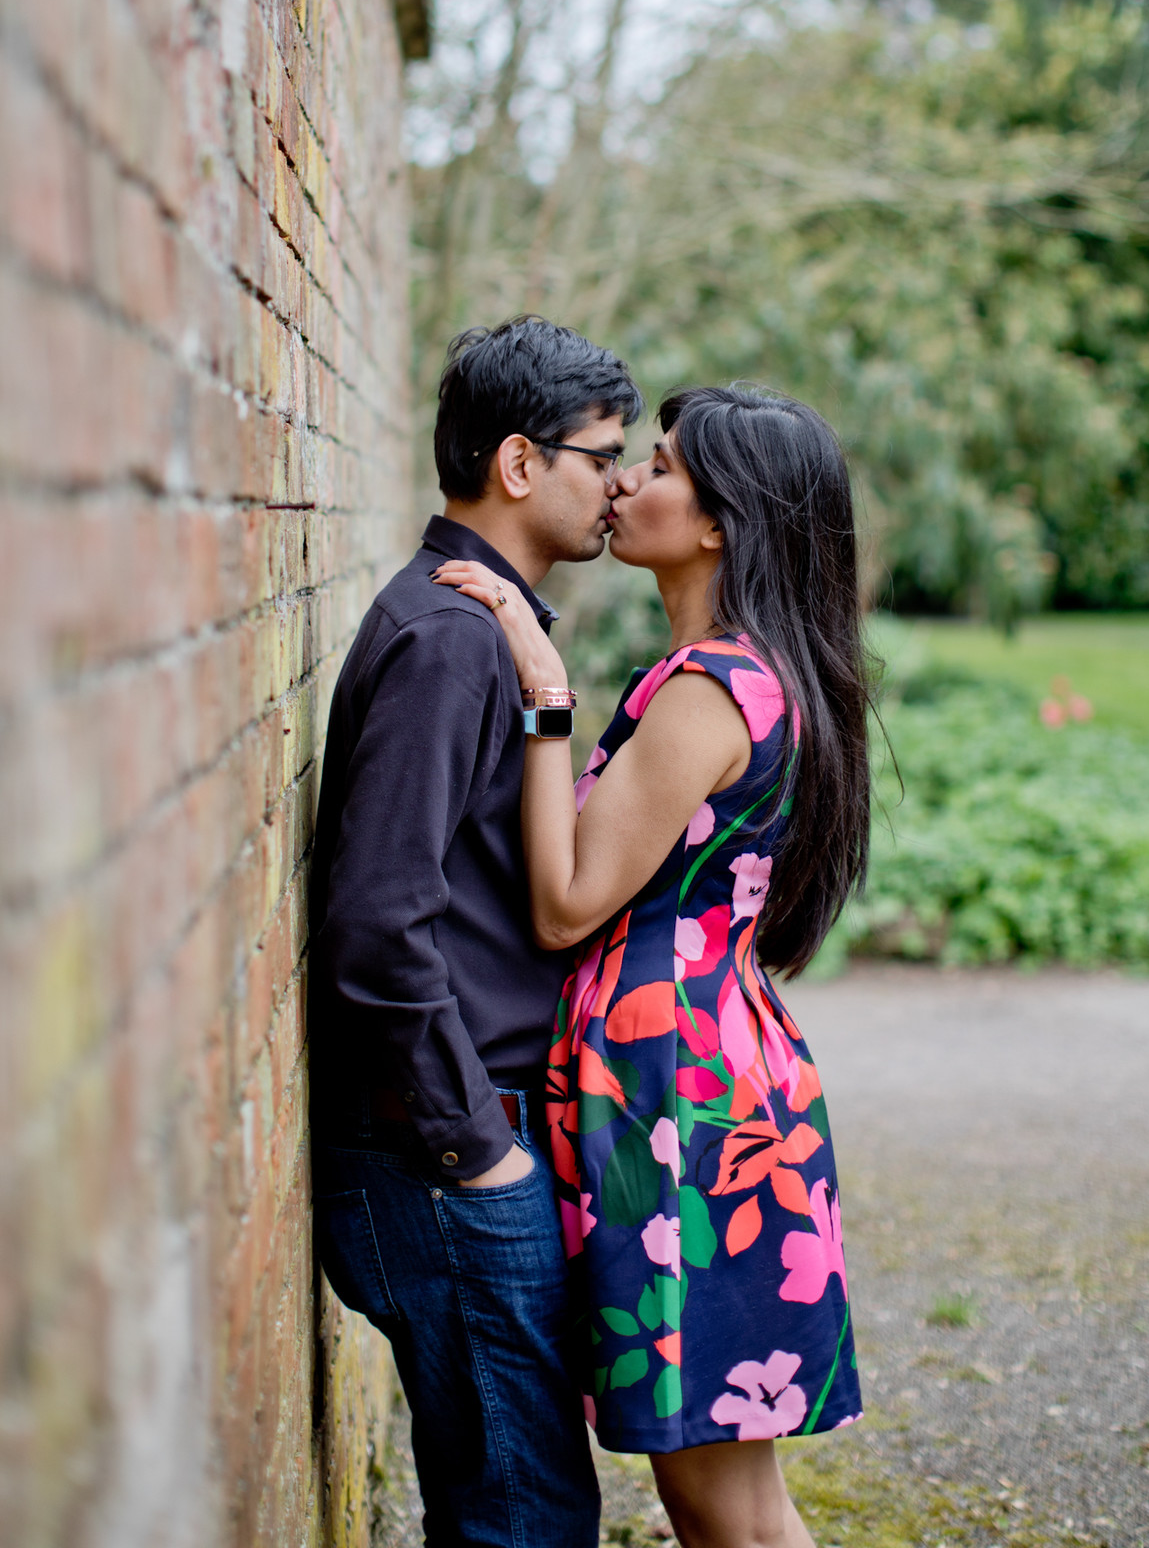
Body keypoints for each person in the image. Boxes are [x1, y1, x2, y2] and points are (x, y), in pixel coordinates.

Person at [435, 384, 872, 1548]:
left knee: (723, 1498)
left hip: (682, 1098)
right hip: (693, 1077)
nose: (628, 480)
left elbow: (568, 902)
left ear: (724, 521)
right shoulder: (744, 671)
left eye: (663, 467)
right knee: (711, 1488)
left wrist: (545, 699)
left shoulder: (710, 689)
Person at [307, 316, 643, 1548]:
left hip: (458, 1142)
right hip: (439, 1158)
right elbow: (377, 923)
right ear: (518, 464)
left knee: (524, 1503)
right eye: (600, 455)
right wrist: (474, 1146)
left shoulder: (486, 628)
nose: (620, 484)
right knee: (526, 1519)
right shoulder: (454, 642)